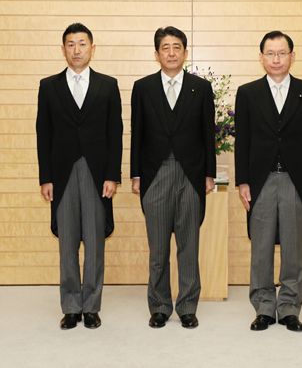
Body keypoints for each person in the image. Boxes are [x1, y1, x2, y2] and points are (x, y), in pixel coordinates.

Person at [36, 22, 123, 330]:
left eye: (82, 43)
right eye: (70, 44)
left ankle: (91, 306)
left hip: (98, 174)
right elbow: (42, 134)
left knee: (96, 243)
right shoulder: (48, 86)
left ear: (92, 48)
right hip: (62, 175)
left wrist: (113, 175)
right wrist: (45, 177)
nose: (76, 49)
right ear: (63, 49)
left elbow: (116, 133)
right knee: (68, 241)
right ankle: (71, 305)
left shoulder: (108, 85)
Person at [235, 30, 302, 332]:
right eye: (270, 53)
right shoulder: (247, 93)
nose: (276, 59)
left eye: (282, 53)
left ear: (292, 56)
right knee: (260, 246)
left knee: (293, 247)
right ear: (261, 57)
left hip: (295, 180)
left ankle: (289, 307)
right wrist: (242, 181)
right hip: (260, 181)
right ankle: (263, 306)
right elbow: (242, 140)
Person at [131, 26, 216, 329]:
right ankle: (159, 305)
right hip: (154, 174)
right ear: (157, 54)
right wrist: (136, 173)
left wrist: (209, 174)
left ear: (185, 52)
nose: (171, 52)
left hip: (191, 175)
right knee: (158, 248)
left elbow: (209, 134)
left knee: (188, 245)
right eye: (165, 47)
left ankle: (188, 306)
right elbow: (137, 133)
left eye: (176, 47)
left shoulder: (201, 88)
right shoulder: (142, 88)